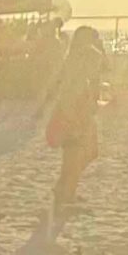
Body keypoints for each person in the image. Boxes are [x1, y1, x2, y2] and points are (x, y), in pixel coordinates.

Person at [42, 25, 108, 239]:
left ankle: (64, 190)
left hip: (78, 113)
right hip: (74, 114)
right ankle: (65, 195)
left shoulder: (80, 63)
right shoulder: (81, 64)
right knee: (76, 155)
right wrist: (74, 118)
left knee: (84, 154)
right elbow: (71, 94)